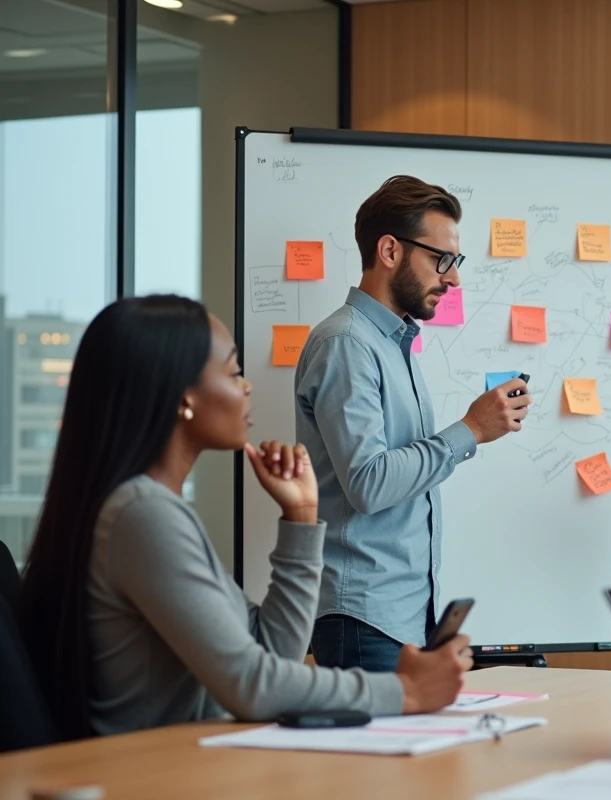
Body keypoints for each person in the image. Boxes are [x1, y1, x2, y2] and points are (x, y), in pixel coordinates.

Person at [17, 295, 472, 740]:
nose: (247, 385)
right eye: (234, 371)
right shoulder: (142, 515)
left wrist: (300, 516)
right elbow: (253, 685)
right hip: (159, 777)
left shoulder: (155, 509)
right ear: (183, 398)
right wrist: (404, 691)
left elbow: (273, 651)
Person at [296, 176, 531, 672]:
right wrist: (469, 429)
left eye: (456, 262)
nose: (453, 278)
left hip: (401, 619)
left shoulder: (393, 346)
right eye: (440, 259)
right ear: (389, 250)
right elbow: (368, 483)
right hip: (364, 619)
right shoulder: (347, 344)